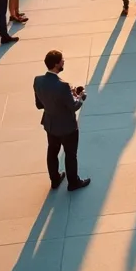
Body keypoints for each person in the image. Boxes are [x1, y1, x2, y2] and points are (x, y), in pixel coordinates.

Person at [34, 50, 91, 191]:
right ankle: (73, 182)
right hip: (68, 128)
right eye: (61, 60)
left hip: (50, 125)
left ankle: (54, 180)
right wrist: (80, 97)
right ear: (56, 64)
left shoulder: (38, 80)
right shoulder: (63, 86)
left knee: (52, 152)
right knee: (70, 154)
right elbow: (73, 106)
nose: (63, 62)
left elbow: (39, 104)